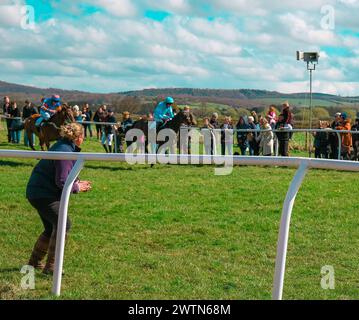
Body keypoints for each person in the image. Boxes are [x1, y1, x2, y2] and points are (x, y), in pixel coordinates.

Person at [26, 123, 91, 274]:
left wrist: (76, 182)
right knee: (63, 224)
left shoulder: (63, 146)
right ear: (78, 137)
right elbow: (62, 181)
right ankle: (51, 267)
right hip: (43, 193)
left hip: (39, 191)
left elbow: (63, 174)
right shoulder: (65, 150)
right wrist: (77, 187)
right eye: (83, 137)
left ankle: (34, 263)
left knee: (51, 227)